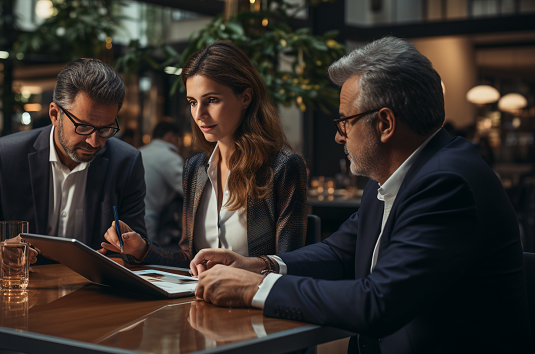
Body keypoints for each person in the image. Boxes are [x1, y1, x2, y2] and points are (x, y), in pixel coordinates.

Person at [188, 37, 533, 354]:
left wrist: (253, 289)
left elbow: (378, 302)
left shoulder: (447, 183)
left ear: (384, 124)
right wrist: (259, 266)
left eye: (345, 123)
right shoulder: (395, 177)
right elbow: (339, 252)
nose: (340, 137)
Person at [101, 41, 307, 267]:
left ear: (245, 98)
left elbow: (290, 264)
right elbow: (189, 258)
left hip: (252, 299)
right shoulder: (195, 169)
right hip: (199, 299)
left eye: (212, 100)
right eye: (192, 102)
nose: (199, 114)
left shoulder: (283, 167)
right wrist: (141, 249)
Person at [0, 58, 147, 269]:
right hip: (22, 290)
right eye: (83, 127)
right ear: (55, 115)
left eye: (105, 129)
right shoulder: (7, 155)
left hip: (93, 294)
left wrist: (130, 251)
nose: (94, 141)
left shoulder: (126, 162)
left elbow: (136, 248)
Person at [139, 121, 184, 247]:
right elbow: (189, 191)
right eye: (177, 138)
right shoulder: (169, 157)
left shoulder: (140, 151)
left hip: (130, 216)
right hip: (150, 220)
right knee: (150, 259)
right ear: (170, 135)